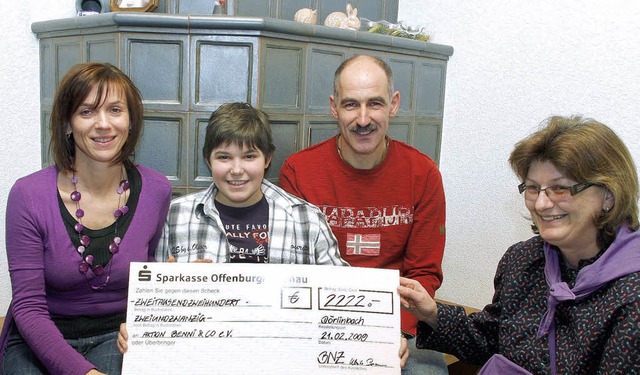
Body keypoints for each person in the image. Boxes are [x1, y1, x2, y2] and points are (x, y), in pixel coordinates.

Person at [118, 102, 410, 367]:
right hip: (203, 363)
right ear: (208, 160)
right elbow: (150, 302)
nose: (236, 170)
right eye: (223, 157)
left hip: (288, 363)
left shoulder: (305, 219)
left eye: (249, 156)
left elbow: (344, 297)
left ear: (268, 158)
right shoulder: (175, 216)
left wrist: (382, 339)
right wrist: (138, 328)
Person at [398, 115, 640, 374]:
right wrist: (432, 312)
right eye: (534, 188)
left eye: (559, 188)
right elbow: (490, 340)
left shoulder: (632, 298)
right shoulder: (523, 260)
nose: (541, 204)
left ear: (608, 196)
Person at [278, 54, 447, 374]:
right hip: (321, 321)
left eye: (376, 103)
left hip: (399, 321)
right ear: (334, 106)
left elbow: (424, 271)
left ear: (394, 104)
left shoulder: (423, 174)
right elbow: (295, 267)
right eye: (351, 104)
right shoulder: (299, 171)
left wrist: (396, 331)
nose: (364, 118)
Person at [0, 62, 172, 375]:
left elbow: (150, 279)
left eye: (116, 110)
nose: (103, 124)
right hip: (39, 334)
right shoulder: (28, 195)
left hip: (114, 335)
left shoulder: (156, 190)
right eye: (87, 111)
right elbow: (28, 307)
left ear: (130, 121)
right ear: (68, 124)